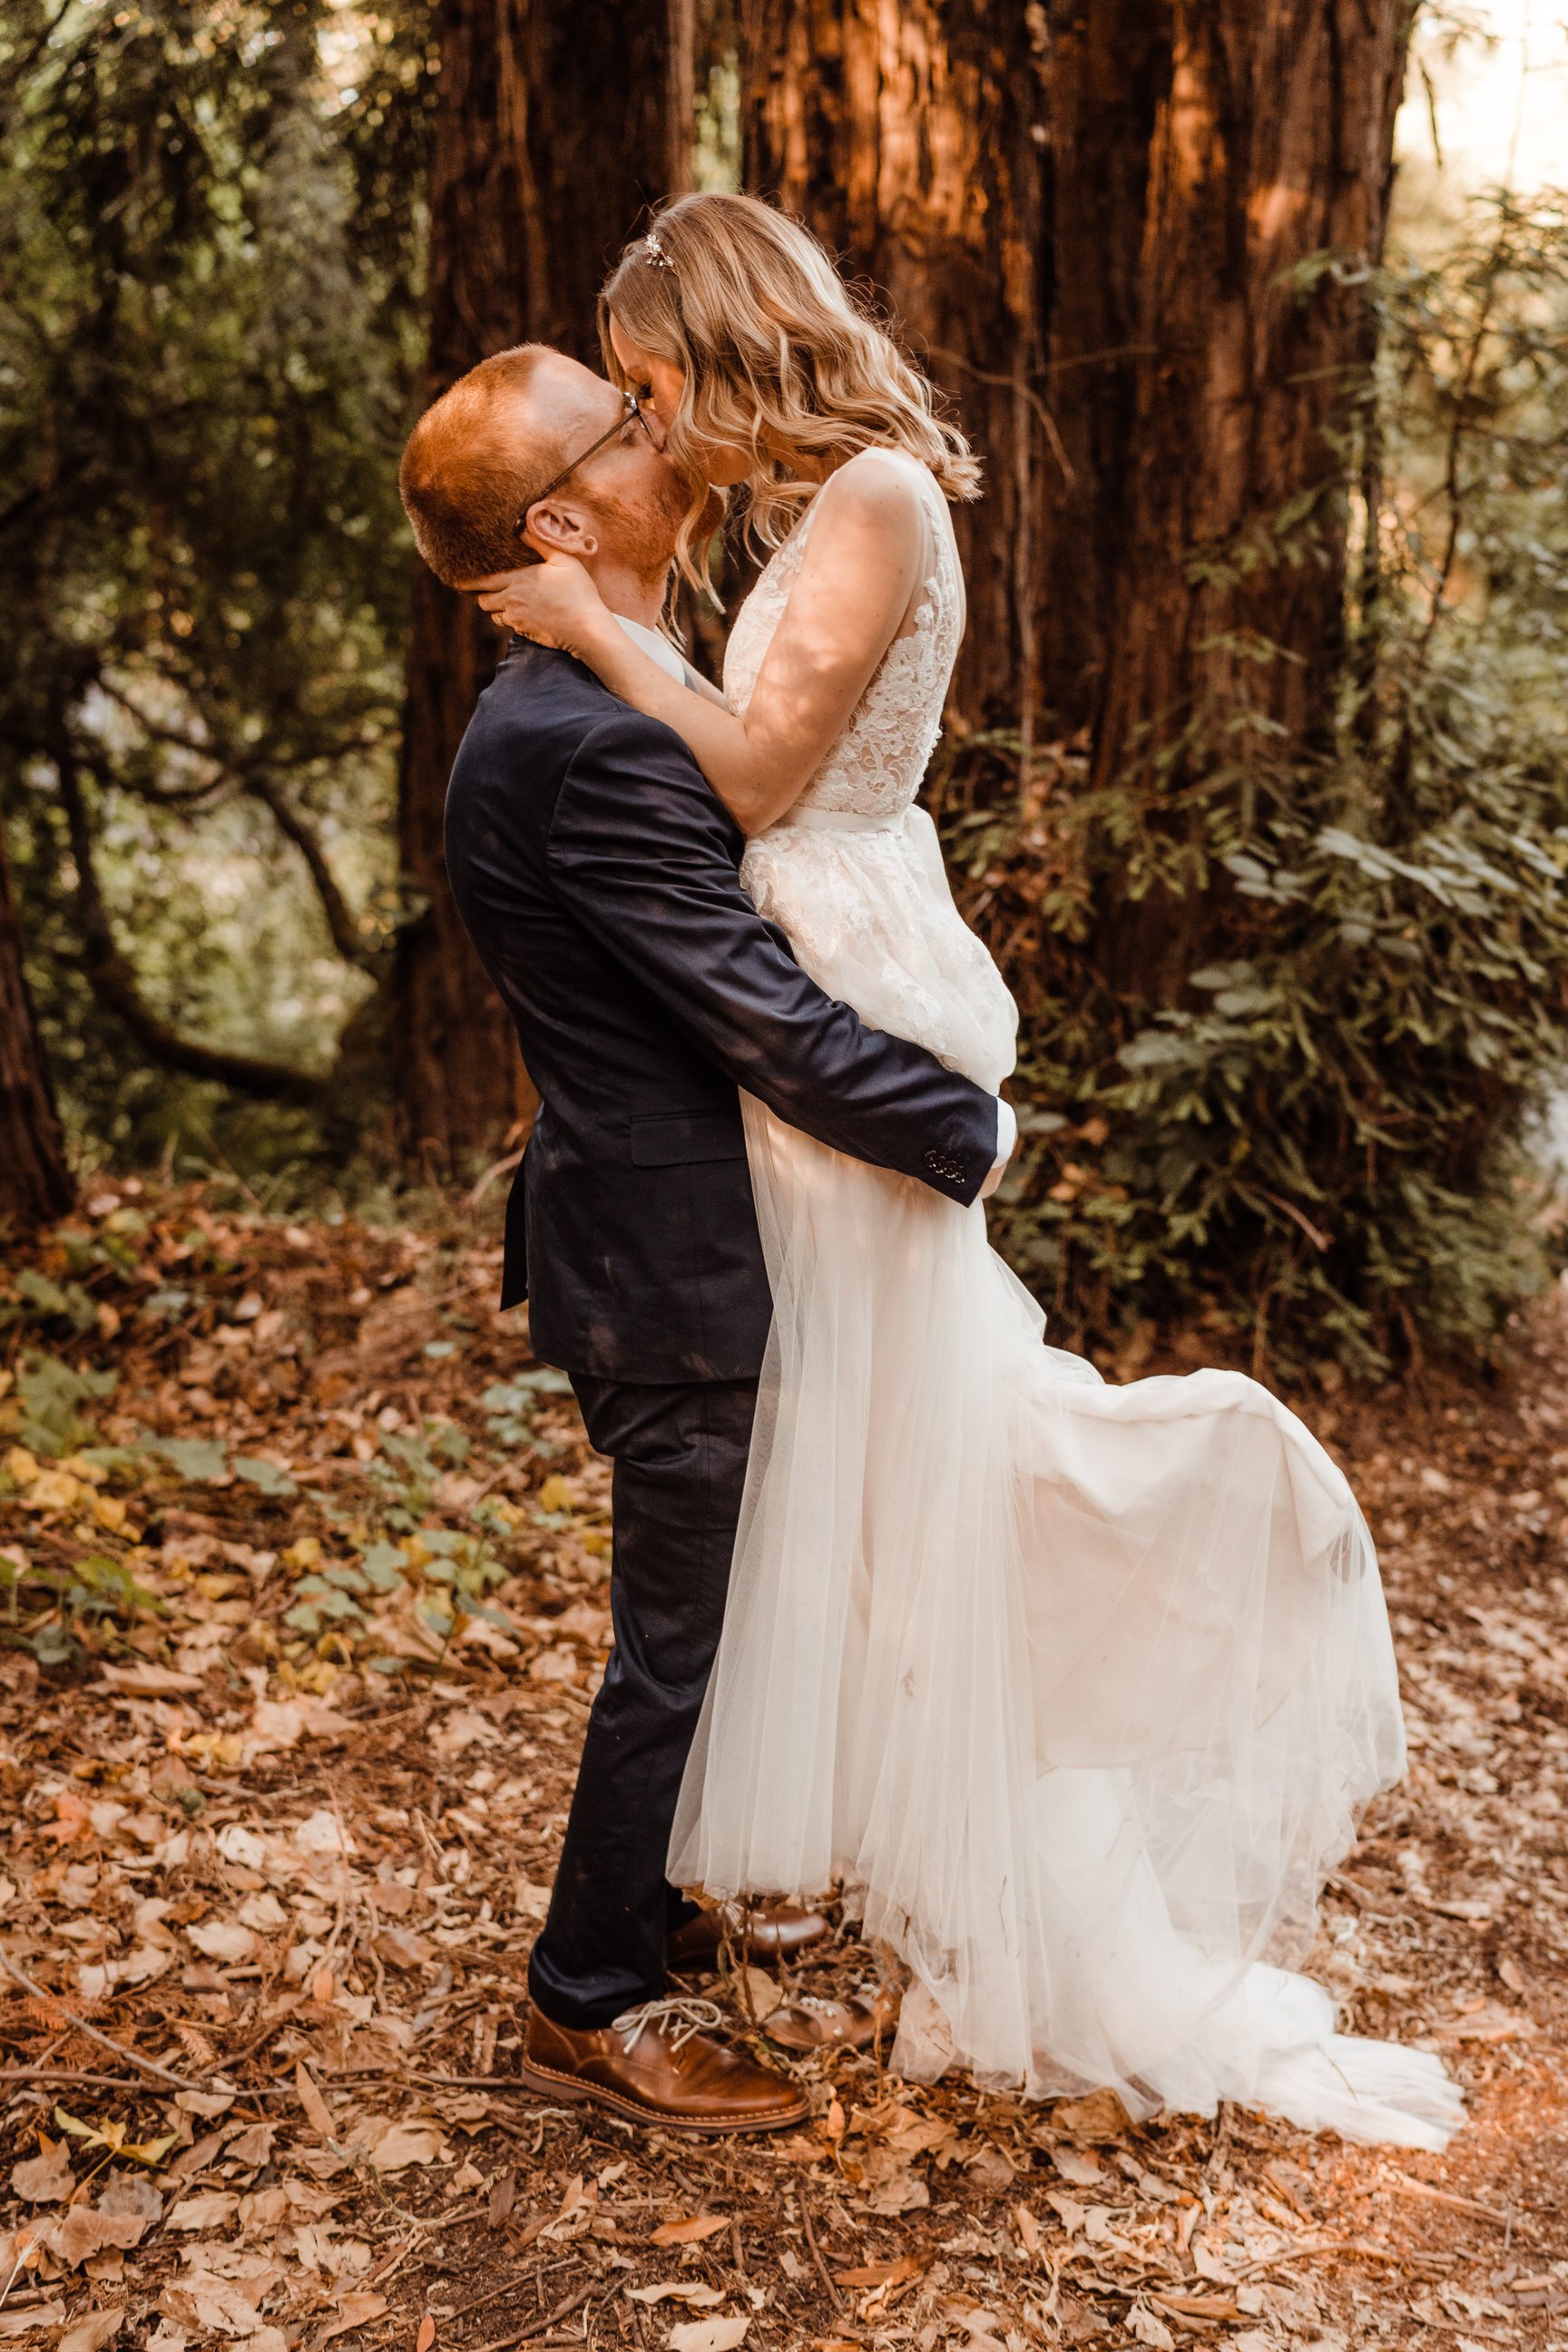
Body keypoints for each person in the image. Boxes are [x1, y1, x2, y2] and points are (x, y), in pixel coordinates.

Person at [472, 192, 1465, 2151]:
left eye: (658, 386)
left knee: (898, 1470)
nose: (657, 430)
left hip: (837, 1020)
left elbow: (758, 784)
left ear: (733, 338)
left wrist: (594, 622)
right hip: (777, 1067)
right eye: (632, 413)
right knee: (834, 1504)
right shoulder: (799, 519)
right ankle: (702, 1939)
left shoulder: (867, 504)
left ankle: (1142, 1595)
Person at [397, 343, 1015, 2135]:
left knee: (721, 1613)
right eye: (626, 422)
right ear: (563, 517)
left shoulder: (602, 701)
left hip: (672, 1240)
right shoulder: (590, 747)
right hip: (676, 1264)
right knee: (689, 1633)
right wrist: (961, 1124)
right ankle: (588, 1994)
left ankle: (646, 1898)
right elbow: (760, 1020)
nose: (664, 427)